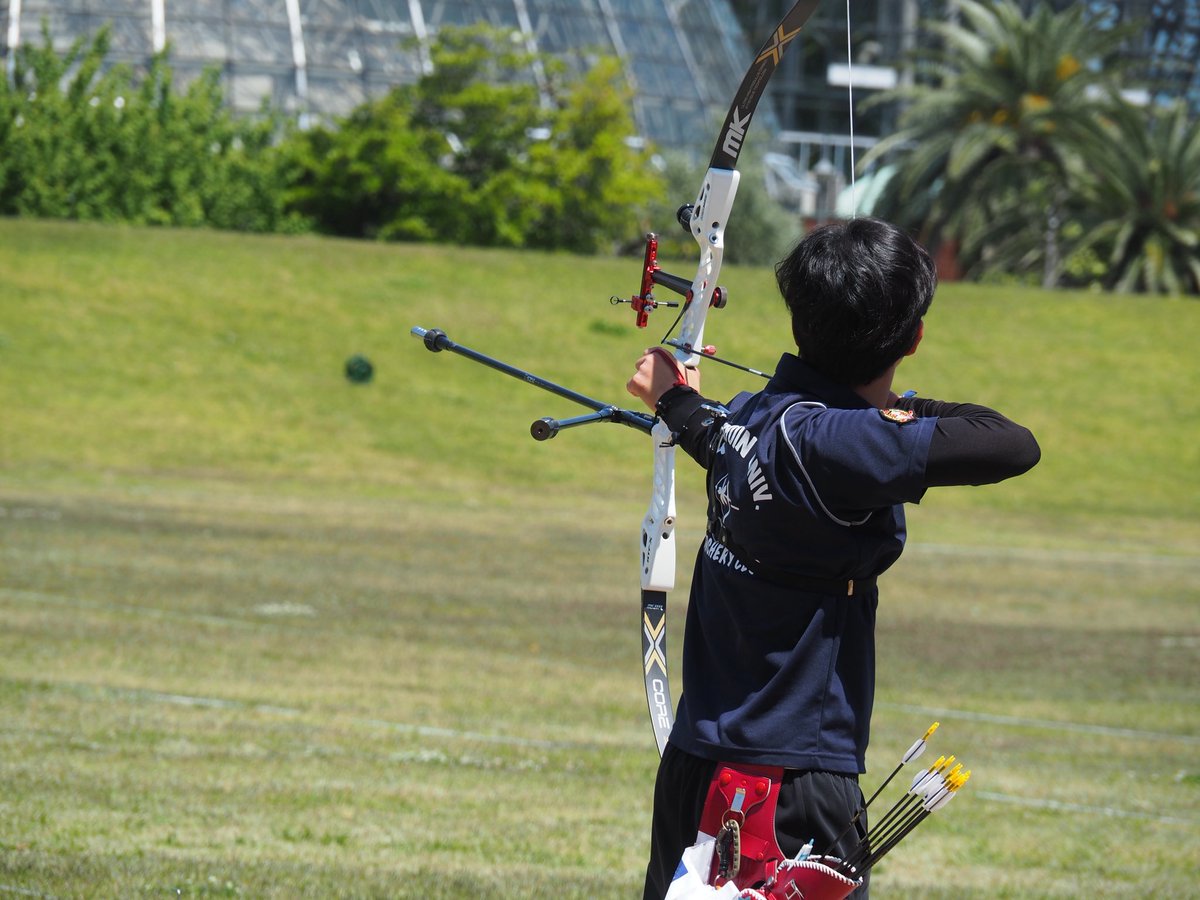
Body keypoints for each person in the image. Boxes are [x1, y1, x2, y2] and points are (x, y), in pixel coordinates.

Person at [626, 217, 1040, 900]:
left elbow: (710, 433)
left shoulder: (752, 417)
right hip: (788, 788)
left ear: (798, 325)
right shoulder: (839, 445)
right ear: (914, 338)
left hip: (696, 770)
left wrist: (675, 397)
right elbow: (1010, 443)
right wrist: (895, 412)